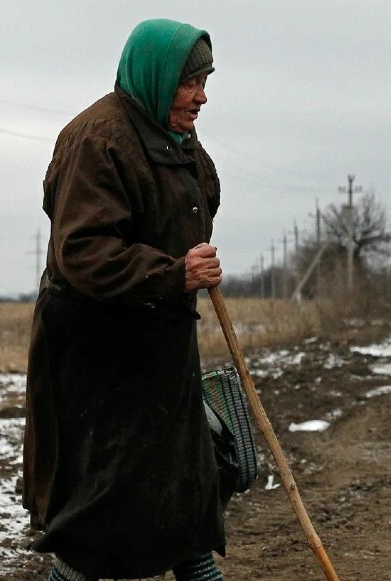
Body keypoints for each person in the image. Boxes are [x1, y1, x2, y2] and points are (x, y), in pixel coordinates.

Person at [23, 18, 228, 581]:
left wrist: (181, 268)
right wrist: (172, 271)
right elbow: (83, 251)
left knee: (186, 486)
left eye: (206, 81)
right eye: (191, 82)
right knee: (105, 505)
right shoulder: (99, 138)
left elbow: (193, 204)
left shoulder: (174, 137)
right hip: (99, 352)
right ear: (158, 77)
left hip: (160, 340)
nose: (201, 96)